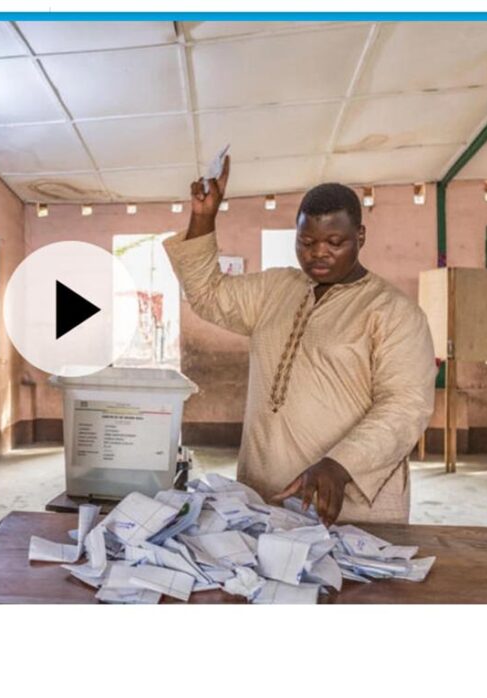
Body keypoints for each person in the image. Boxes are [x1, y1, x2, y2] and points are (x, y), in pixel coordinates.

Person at [163, 157, 435, 526]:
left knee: (354, 584)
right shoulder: (276, 289)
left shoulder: (392, 311)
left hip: (347, 503)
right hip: (265, 494)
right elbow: (209, 295)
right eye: (306, 242)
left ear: (361, 237)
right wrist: (203, 217)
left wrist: (341, 465)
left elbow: (406, 406)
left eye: (334, 242)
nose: (318, 253)